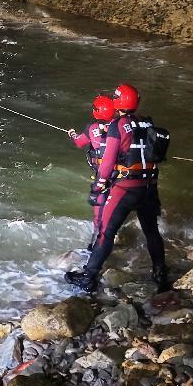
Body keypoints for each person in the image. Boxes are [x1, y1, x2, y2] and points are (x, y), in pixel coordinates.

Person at [65, 83, 169, 294]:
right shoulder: (147, 122)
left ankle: (88, 276)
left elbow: (108, 162)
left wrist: (98, 186)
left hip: (126, 188)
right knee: (152, 232)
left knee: (106, 232)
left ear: (116, 102)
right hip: (149, 187)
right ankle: (160, 273)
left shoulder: (118, 125)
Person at [67, 95, 115, 249]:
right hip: (120, 175)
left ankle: (96, 246)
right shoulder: (120, 126)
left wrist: (72, 134)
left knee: (99, 212)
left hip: (102, 176)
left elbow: (79, 142)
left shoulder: (92, 128)